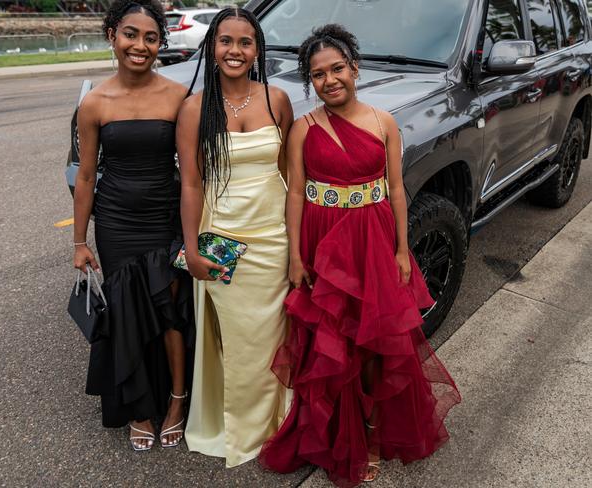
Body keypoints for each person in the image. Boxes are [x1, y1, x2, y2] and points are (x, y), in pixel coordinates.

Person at [259, 24, 461, 486]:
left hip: (372, 240)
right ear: (309, 81)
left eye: (337, 69)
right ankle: (333, 433)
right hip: (322, 238)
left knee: (373, 345)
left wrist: (402, 250)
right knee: (329, 342)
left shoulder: (383, 121)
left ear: (355, 68)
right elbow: (294, 195)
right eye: (317, 74)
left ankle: (369, 434)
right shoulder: (303, 130)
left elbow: (395, 189)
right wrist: (295, 256)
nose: (329, 80)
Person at [72, 0, 193, 451]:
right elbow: (86, 175)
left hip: (166, 219)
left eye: (150, 37)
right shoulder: (94, 103)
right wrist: (79, 240)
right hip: (117, 222)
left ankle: (177, 402)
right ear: (112, 36)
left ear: (160, 43)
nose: (139, 46)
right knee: (127, 314)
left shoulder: (178, 97)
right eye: (130, 34)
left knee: (170, 310)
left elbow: (194, 171)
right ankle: (141, 408)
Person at [176, 7, 294, 467]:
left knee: (272, 339)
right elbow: (191, 183)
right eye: (226, 41)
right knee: (236, 341)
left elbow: (288, 175)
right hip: (223, 240)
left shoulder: (277, 99)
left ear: (257, 50)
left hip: (273, 238)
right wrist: (190, 248)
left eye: (245, 43)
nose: (235, 51)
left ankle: (276, 425)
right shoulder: (194, 108)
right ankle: (236, 428)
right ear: (212, 47)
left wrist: (298, 244)